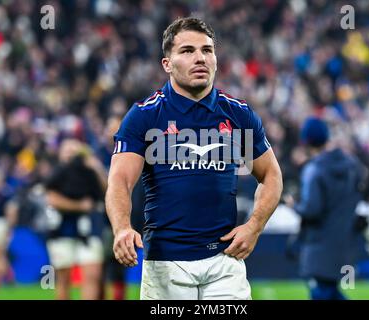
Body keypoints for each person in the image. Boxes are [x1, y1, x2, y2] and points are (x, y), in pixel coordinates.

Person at [106, 17, 283, 300]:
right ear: (167, 64)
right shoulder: (145, 116)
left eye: (207, 50)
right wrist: (122, 228)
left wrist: (254, 226)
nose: (200, 58)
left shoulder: (238, 114)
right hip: (166, 264)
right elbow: (119, 180)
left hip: (224, 261)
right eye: (187, 51)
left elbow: (271, 175)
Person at [284, 117, 363, 300]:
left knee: (321, 293)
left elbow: (312, 210)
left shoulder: (315, 170)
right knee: (332, 293)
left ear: (307, 141)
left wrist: (294, 206)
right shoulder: (352, 166)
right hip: (345, 246)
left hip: (319, 247)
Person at [45, 138, 107, 300]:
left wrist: (95, 166)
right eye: (68, 152)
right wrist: (79, 206)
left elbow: (108, 191)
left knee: (92, 276)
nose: (72, 157)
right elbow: (52, 198)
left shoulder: (90, 173)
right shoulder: (57, 173)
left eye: (75, 153)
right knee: (63, 279)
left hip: (89, 229)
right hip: (62, 230)